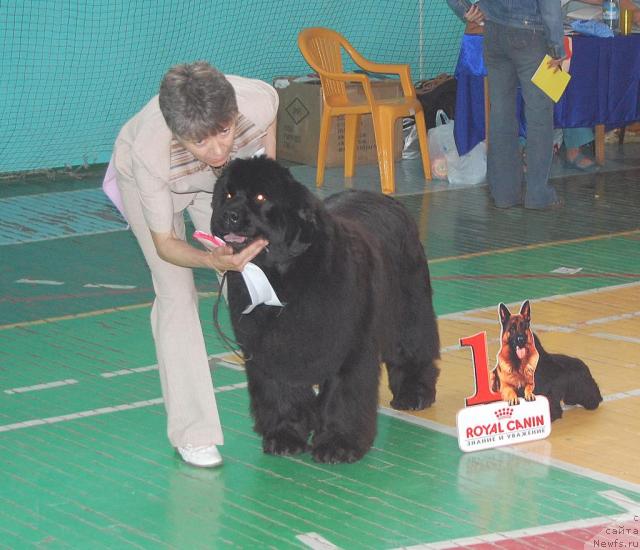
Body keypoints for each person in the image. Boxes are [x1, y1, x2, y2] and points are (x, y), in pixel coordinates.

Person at [112, 61, 278, 467]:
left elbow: (264, 180)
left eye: (224, 131)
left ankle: (286, 392)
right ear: (178, 134)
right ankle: (193, 431)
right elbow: (167, 244)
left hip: (221, 185)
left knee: (254, 272)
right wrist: (210, 258)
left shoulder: (258, 104)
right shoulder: (149, 153)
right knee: (177, 294)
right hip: (158, 188)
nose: (218, 149)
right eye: (202, 142)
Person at [448, 0, 565, 209]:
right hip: (531, 35)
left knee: (500, 114)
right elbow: (550, 6)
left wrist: (466, 9)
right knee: (539, 116)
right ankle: (538, 195)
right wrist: (557, 46)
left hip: (493, 31)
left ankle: (504, 194)